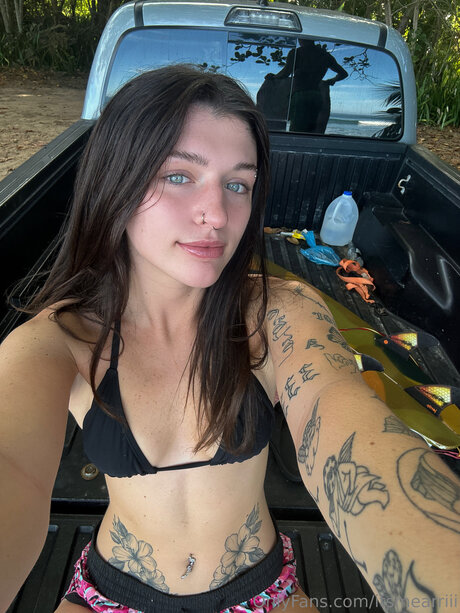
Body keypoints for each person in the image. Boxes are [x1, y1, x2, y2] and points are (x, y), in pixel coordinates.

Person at [1, 65, 459, 613]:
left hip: (261, 587)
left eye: (237, 184)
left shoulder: (279, 312)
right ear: (115, 181)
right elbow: (12, 465)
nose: (217, 214)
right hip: (110, 592)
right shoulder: (58, 340)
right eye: (179, 176)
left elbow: (344, 417)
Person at [262, 39, 348, 133]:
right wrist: (331, 80)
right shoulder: (325, 55)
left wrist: (273, 77)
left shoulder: (297, 53)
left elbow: (285, 73)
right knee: (310, 132)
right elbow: (343, 74)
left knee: (297, 132)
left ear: (301, 39)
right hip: (317, 96)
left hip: (301, 96)